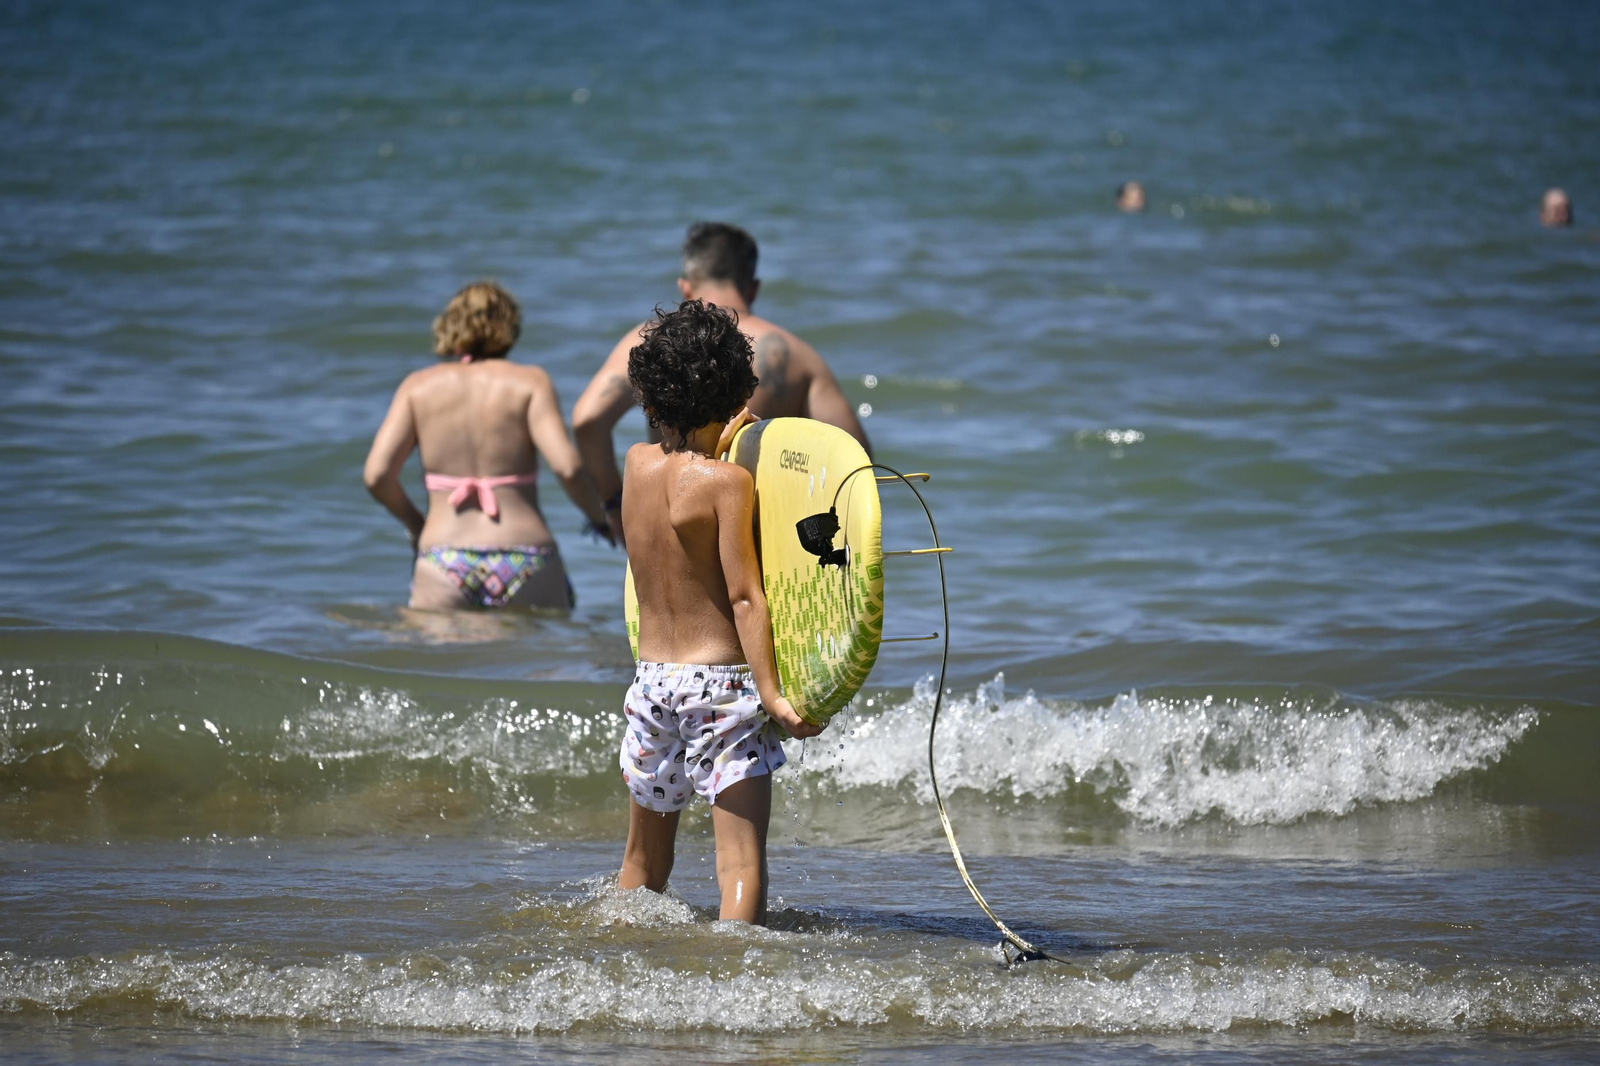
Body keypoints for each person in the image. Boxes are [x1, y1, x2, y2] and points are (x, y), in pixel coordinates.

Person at [615, 298, 825, 924]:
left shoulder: (634, 465)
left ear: (650, 397)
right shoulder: (729, 485)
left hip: (652, 682)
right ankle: (735, 981)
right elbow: (743, 596)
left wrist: (715, 441)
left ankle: (622, 954)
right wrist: (775, 695)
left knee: (644, 865)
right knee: (739, 865)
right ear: (736, 394)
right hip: (722, 689)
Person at [573, 222, 870, 544]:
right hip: (758, 539)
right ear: (753, 287)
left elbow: (588, 420)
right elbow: (857, 459)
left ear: (685, 287)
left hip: (674, 534)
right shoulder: (795, 354)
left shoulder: (657, 340)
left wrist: (616, 505)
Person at [363, 281, 612, 611]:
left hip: (444, 556)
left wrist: (416, 525)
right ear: (510, 326)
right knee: (546, 660)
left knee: (444, 663)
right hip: (525, 554)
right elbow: (567, 467)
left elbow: (377, 475)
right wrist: (601, 520)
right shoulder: (530, 382)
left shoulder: (417, 387)